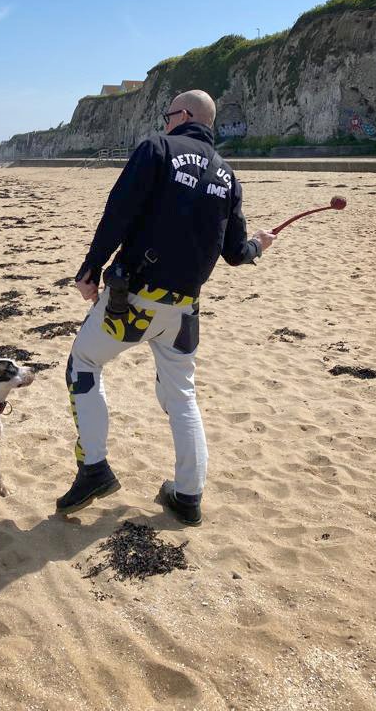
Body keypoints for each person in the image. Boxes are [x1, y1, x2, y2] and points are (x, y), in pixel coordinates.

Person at [56, 89, 275, 526]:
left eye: (167, 114)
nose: (165, 121)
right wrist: (258, 246)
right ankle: (188, 495)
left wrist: (90, 269)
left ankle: (94, 468)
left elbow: (118, 213)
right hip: (183, 310)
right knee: (182, 395)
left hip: (133, 300)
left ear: (185, 115)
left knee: (84, 363)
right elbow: (235, 253)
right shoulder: (228, 175)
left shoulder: (157, 148)